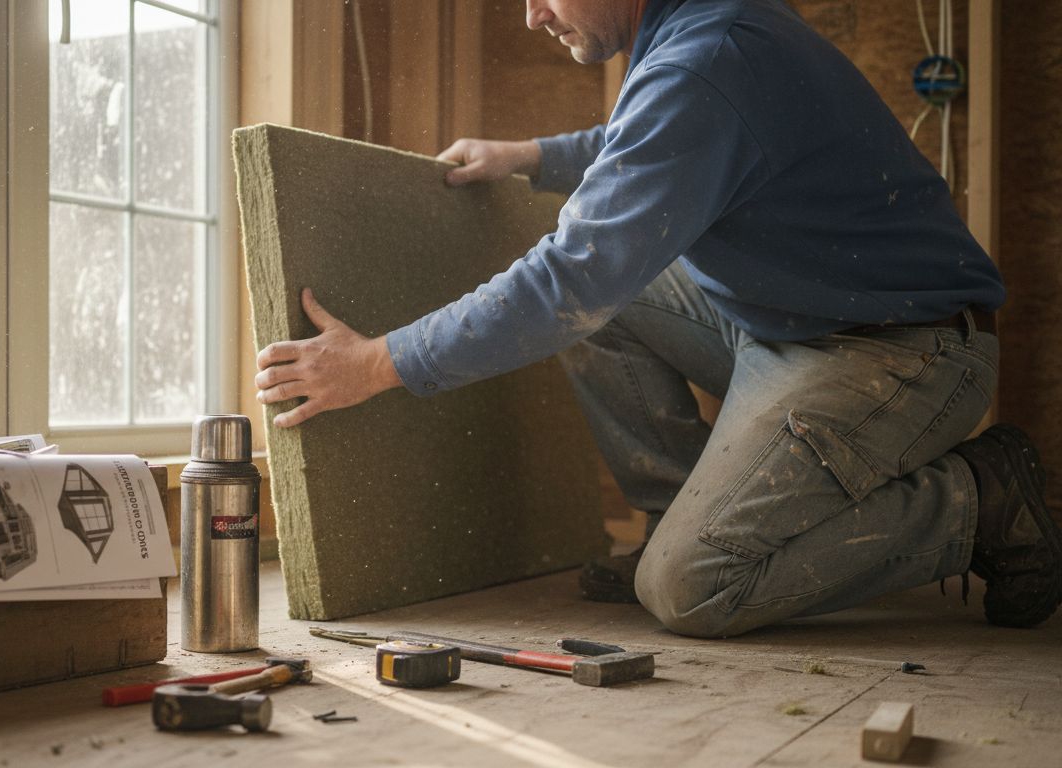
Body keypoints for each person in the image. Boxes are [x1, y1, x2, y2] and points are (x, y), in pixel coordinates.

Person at [253, 0, 1062, 637]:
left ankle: (976, 501)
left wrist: (377, 363)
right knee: (610, 292)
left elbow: (568, 278)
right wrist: (533, 155)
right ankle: (681, 509)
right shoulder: (702, 26)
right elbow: (648, 137)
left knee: (692, 588)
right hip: (796, 318)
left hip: (901, 352)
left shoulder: (711, 58)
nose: (531, 14)